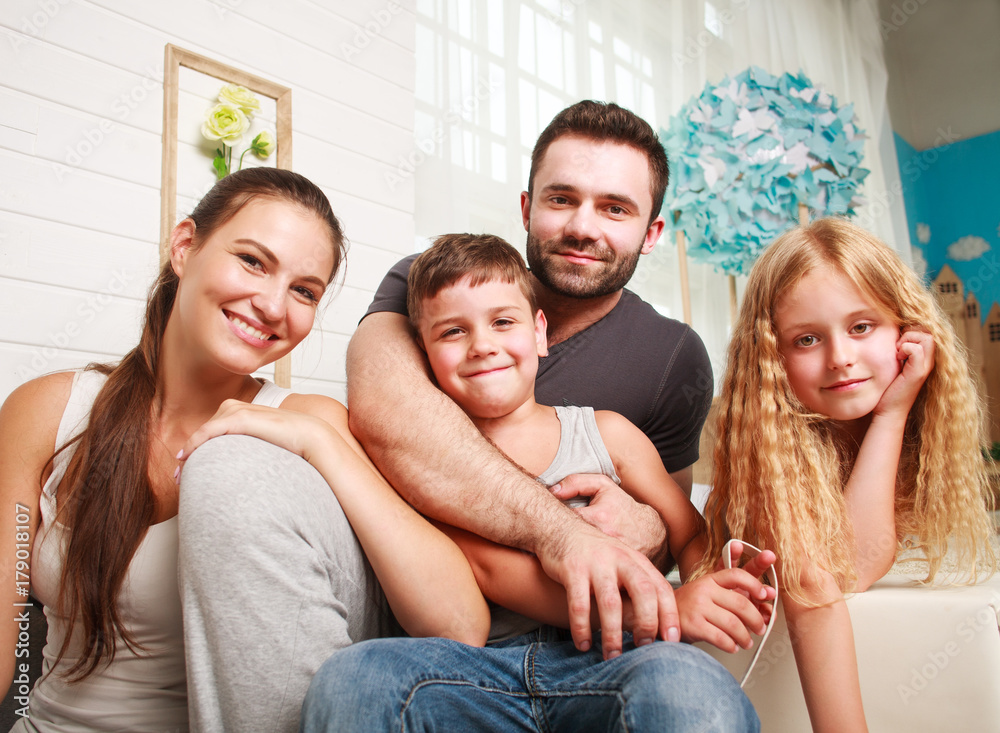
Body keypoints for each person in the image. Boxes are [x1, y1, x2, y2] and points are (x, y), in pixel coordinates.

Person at [0, 168, 487, 733]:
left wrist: (319, 443)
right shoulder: (49, 410)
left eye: (305, 291)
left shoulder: (309, 421)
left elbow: (458, 622)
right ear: (185, 247)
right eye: (253, 261)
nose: (273, 305)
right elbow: (9, 611)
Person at [300, 233, 771, 732]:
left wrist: (706, 589)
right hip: (472, 670)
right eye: (453, 332)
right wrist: (664, 607)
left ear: (540, 332)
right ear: (423, 354)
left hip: (614, 660)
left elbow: (687, 531)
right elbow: (489, 572)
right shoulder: (422, 467)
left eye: (503, 322)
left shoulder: (606, 433)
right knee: (356, 678)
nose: (483, 346)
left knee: (690, 687)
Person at [347, 101, 714, 660]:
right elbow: (388, 419)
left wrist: (654, 535)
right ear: (526, 206)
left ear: (651, 232)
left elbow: (665, 528)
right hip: (443, 616)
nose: (581, 228)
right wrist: (564, 534)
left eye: (615, 209)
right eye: (561, 198)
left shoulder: (673, 357)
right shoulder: (429, 283)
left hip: (592, 647)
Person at [697, 217, 997, 732]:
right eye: (807, 339)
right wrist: (890, 414)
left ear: (905, 329)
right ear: (772, 357)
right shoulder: (772, 446)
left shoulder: (928, 423)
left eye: (862, 327)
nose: (841, 359)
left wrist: (897, 410)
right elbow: (845, 569)